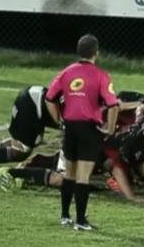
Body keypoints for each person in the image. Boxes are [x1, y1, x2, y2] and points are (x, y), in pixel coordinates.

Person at [45, 34, 119, 231]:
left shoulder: (66, 72)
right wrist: (110, 129)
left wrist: (59, 121)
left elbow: (49, 98)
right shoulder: (100, 75)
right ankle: (80, 220)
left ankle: (64, 216)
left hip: (70, 128)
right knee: (83, 176)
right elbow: (113, 105)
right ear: (96, 52)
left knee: (69, 173)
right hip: (89, 129)